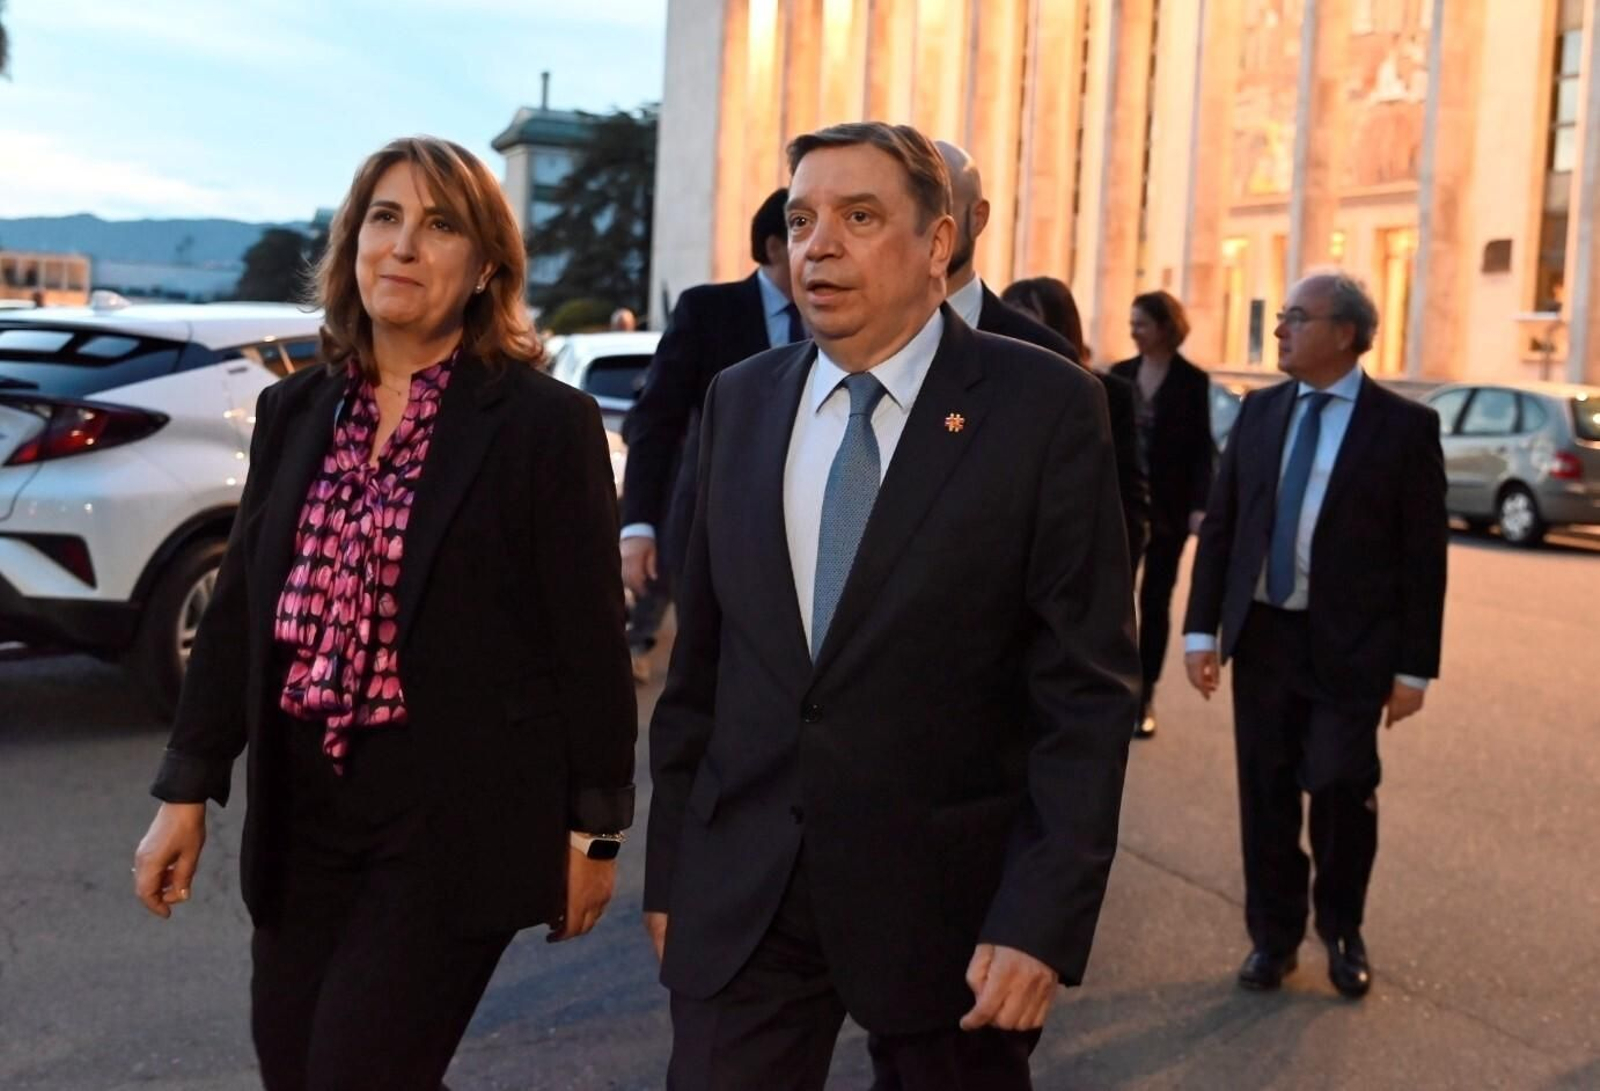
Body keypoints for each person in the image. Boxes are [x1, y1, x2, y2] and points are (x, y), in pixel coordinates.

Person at [130, 136, 637, 1090]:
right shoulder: (294, 412)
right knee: (295, 1066)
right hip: (303, 814)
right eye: (384, 218)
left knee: (358, 1071)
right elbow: (240, 612)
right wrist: (185, 791)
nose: (403, 245)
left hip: (451, 826)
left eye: (439, 224)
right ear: (352, 244)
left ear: (486, 266)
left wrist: (595, 834)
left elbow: (589, 646)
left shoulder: (542, 425)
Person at [643, 121, 1138, 1091]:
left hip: (949, 916)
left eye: (858, 216)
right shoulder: (738, 399)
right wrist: (670, 874)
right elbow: (699, 664)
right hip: (747, 896)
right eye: (799, 218)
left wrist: (1039, 917)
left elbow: (1084, 693)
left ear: (938, 243)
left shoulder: (1044, 406)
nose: (815, 245)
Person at [1182, 272, 1447, 999]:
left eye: (1296, 317)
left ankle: (1341, 926)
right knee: (1264, 794)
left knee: (1338, 785)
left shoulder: (1403, 428)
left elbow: (1424, 559)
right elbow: (1223, 527)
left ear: (1346, 334)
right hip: (1263, 638)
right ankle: (1273, 937)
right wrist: (1201, 630)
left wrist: (1415, 669)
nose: (1280, 330)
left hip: (1352, 649)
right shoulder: (1260, 412)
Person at [619, 187, 802, 681]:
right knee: (710, 675)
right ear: (773, 246)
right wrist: (638, 526)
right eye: (802, 227)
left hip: (805, 536)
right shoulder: (708, 311)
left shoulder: (837, 322)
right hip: (712, 528)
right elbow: (656, 421)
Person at [1110, 291, 1214, 738]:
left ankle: (1144, 694)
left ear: (1165, 326)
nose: (1134, 331)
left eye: (1142, 323)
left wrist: (1198, 507)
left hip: (1169, 510)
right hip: (1120, 507)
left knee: (1156, 603)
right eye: (1131, 323)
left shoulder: (1192, 381)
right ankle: (1111, 689)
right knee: (1115, 603)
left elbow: (1200, 451)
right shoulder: (1119, 376)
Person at [1002, 275, 1149, 565]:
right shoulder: (985, 391)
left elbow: (1126, 497)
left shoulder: (1106, 393)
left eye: (1028, 321)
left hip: (1070, 564)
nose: (1014, 333)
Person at [933, 140, 1076, 359]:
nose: (917, 225)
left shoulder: (1043, 354)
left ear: (977, 218)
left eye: (937, 208)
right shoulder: (864, 339)